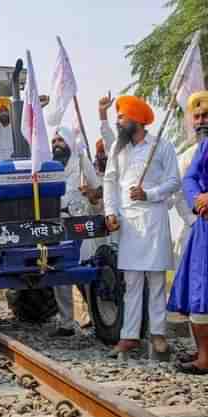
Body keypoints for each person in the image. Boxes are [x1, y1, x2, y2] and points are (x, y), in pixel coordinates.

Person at [103, 95, 180, 358]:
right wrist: (110, 212)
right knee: (132, 282)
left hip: (155, 219)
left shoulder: (163, 146)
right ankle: (129, 336)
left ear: (135, 119)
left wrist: (149, 193)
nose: (119, 121)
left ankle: (158, 335)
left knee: (156, 280)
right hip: (128, 223)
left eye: (122, 117)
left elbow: (173, 182)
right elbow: (109, 182)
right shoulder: (117, 148)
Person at [167, 90, 208, 374]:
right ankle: (204, 356)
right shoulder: (202, 148)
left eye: (207, 115)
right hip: (203, 225)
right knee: (199, 292)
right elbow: (190, 178)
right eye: (198, 116)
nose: (203, 120)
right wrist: (199, 200)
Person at [50, 126, 100, 337]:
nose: (56, 145)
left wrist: (89, 193)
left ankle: (97, 318)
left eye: (60, 141)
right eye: (54, 142)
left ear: (69, 142)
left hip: (79, 222)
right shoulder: (48, 165)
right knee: (59, 271)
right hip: (55, 222)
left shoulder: (81, 160)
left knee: (85, 270)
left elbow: (97, 190)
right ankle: (66, 323)